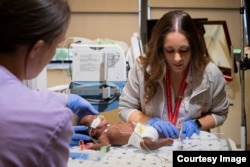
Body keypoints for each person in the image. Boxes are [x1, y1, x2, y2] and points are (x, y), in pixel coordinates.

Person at [0, 1, 98, 167]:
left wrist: (66, 99)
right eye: (57, 45)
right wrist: (54, 132)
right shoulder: (49, 120)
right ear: (36, 49)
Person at [119, 10, 229, 140]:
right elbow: (126, 108)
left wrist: (197, 123)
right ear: (160, 49)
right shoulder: (142, 70)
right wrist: (149, 121)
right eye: (169, 50)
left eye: (184, 50)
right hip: (152, 142)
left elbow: (220, 113)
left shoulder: (210, 74)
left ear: (194, 47)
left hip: (191, 145)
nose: (177, 58)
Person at [77, 114, 174, 150]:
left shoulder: (109, 126)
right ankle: (160, 143)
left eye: (96, 115)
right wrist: (93, 146)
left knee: (159, 130)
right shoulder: (103, 137)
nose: (99, 117)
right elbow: (105, 146)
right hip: (138, 137)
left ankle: (176, 128)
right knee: (146, 144)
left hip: (141, 127)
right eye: (94, 119)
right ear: (93, 131)